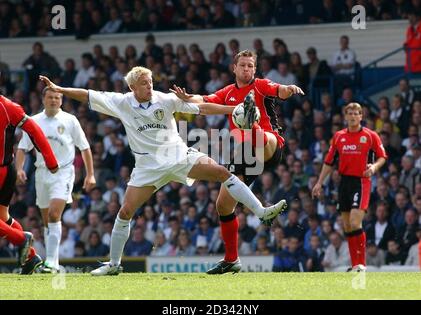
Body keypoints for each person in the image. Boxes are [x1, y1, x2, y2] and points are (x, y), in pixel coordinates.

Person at [39, 65, 288, 276]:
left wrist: (232, 110)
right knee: (125, 211)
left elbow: (202, 107)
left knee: (223, 172)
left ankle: (262, 211)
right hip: (147, 167)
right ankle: (114, 265)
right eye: (145, 83)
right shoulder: (121, 103)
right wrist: (60, 89)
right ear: (133, 87)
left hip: (178, 156)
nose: (150, 86)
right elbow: (87, 94)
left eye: (150, 82)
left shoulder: (165, 99)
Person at [171, 49, 303, 274]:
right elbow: (203, 101)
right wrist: (187, 98)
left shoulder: (260, 85)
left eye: (251, 66)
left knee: (260, 136)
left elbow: (279, 90)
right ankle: (232, 259)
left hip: (270, 145)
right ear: (234, 68)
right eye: (243, 65)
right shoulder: (228, 92)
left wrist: (288, 89)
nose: (247, 69)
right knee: (223, 205)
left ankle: (251, 122)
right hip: (246, 153)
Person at [15, 87, 95, 273]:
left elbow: (85, 147)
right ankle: (54, 263)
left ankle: (50, 261)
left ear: (62, 100)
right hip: (41, 173)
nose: (54, 100)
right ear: (43, 99)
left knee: (53, 214)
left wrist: (90, 174)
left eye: (57, 97)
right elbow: (22, 148)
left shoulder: (70, 120)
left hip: (63, 172)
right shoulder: (33, 121)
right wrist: (19, 169)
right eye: (50, 97)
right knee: (46, 221)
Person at [312, 102, 388, 272]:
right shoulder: (339, 136)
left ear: (361, 116)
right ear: (345, 116)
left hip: (361, 181)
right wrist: (319, 182)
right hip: (344, 183)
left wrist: (374, 167)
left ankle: (361, 263)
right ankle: (355, 265)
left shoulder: (370, 135)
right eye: (350, 113)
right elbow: (329, 161)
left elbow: (383, 156)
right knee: (347, 226)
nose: (353, 116)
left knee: (355, 221)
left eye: (356, 113)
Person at [0, 95, 58, 274]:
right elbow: (34, 130)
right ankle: (31, 257)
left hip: (2, 171)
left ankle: (20, 239)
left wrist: (51, 160)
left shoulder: (7, 107)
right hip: (7, 170)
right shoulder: (9, 106)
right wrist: (51, 161)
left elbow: (35, 130)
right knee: (2, 217)